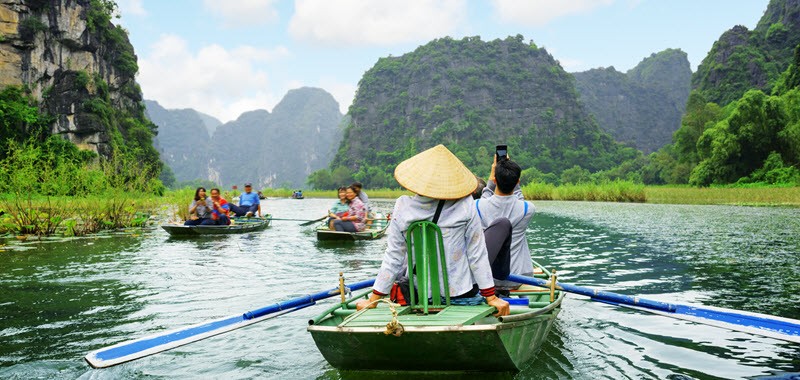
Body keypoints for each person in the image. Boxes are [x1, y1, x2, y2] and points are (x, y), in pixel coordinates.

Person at [356, 145, 509, 317]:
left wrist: (373, 300)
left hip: (418, 295)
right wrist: (491, 297)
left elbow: (394, 256)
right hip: (461, 294)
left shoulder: (403, 206)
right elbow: (477, 253)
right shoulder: (466, 205)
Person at [476, 154, 535, 295]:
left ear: (495, 180)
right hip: (518, 279)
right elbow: (518, 198)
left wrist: (492, 177)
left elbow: (485, 196)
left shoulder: (477, 206)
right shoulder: (528, 209)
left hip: (488, 280)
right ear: (517, 182)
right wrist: (513, 179)